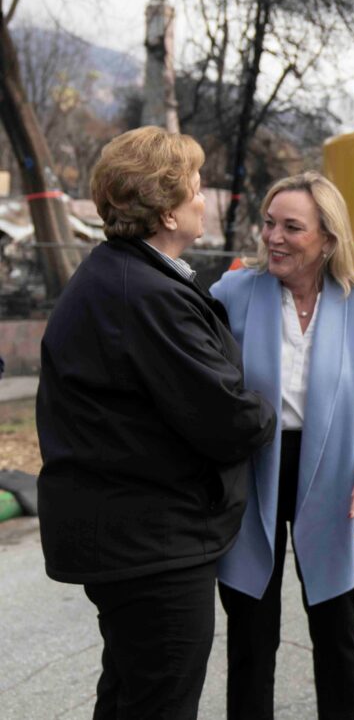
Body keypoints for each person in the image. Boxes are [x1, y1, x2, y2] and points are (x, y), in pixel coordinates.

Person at [36, 126, 277, 720]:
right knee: (159, 701)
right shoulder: (144, 294)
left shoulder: (123, 276)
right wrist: (271, 407)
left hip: (130, 537)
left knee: (128, 695)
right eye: (196, 189)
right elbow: (224, 419)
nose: (202, 200)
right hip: (150, 545)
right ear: (167, 211)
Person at [212, 171, 354, 719]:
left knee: (336, 636)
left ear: (327, 239)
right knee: (250, 640)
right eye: (269, 223)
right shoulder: (233, 293)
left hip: (334, 477)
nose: (274, 237)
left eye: (292, 227)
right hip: (252, 476)